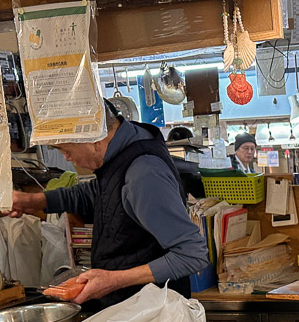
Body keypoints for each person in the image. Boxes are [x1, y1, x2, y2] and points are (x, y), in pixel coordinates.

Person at [11, 102, 211, 308]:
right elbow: (100, 192)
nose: (67, 158)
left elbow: (191, 255)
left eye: (66, 149)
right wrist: (34, 201)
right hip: (129, 309)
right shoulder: (122, 149)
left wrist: (114, 280)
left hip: (153, 315)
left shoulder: (144, 174)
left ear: (93, 139)